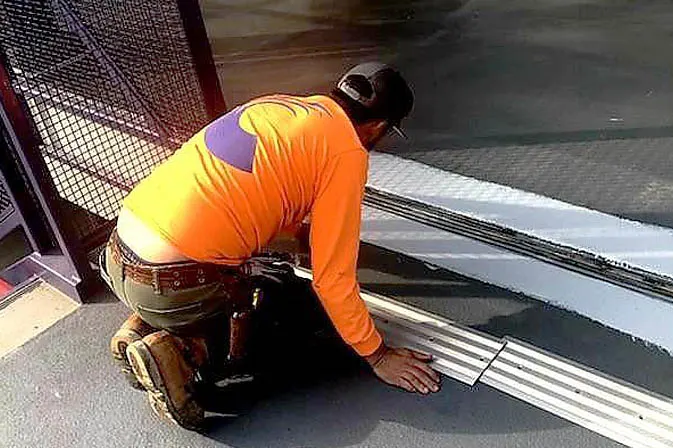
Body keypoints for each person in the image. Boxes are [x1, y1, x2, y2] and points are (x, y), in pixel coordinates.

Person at [99, 62, 441, 431]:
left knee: (256, 268)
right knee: (291, 317)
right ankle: (185, 353)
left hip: (119, 252)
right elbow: (333, 280)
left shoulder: (279, 106)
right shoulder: (346, 151)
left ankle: (140, 324)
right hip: (173, 283)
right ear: (378, 127)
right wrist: (377, 355)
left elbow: (266, 205)